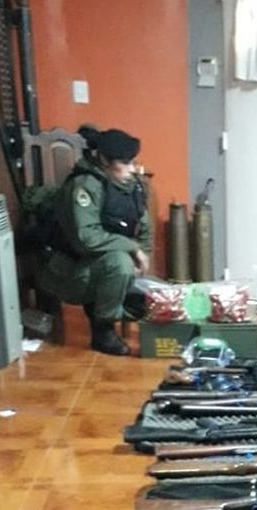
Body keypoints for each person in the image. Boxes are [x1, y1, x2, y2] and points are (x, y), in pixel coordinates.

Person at [40, 126, 151, 356]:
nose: (132, 169)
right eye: (125, 163)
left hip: (101, 267)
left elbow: (144, 225)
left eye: (132, 162)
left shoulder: (131, 186)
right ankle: (103, 332)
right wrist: (132, 249)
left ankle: (111, 305)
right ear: (103, 160)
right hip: (70, 271)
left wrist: (142, 258)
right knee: (120, 263)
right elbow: (87, 238)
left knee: (147, 299)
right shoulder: (84, 186)